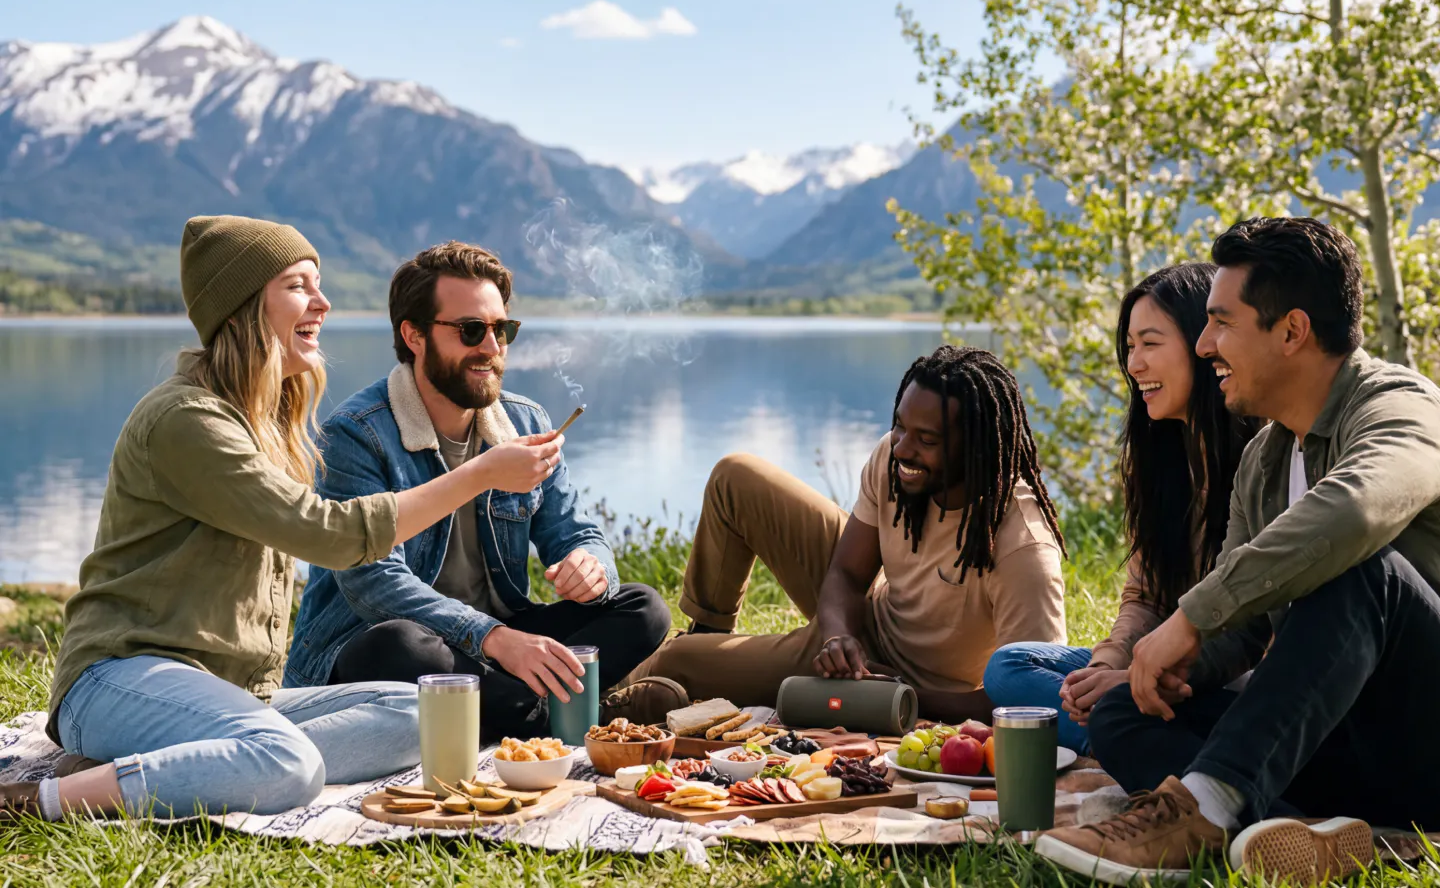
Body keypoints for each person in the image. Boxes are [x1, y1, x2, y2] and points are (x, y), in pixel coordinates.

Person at [1036, 217, 1440, 884]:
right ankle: (1299, 834)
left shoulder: (1404, 411)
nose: (1205, 346)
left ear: (1291, 332)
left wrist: (1190, 617)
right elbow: (1243, 633)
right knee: (1123, 709)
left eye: (1222, 324)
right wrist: (1179, 669)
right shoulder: (1264, 459)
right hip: (1352, 747)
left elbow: (1355, 511)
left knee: (1365, 571)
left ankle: (1204, 811)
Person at [0, 216, 563, 822]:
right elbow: (329, 534)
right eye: (299, 285)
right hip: (118, 681)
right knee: (289, 764)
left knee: (424, 715)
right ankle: (41, 801)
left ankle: (162, 767)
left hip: (233, 695)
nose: (322, 302)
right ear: (244, 305)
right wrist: (479, 473)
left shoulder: (262, 417)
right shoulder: (188, 420)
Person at [285, 241, 679, 741]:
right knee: (400, 646)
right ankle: (563, 712)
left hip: (498, 645)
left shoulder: (524, 421)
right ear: (414, 335)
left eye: (502, 329)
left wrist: (591, 565)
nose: (492, 348)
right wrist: (492, 637)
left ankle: (516, 708)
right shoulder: (356, 434)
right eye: (471, 330)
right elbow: (374, 586)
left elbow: (574, 529)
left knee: (642, 608)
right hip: (390, 644)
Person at [619, 344, 1068, 724]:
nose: (902, 448)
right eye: (899, 425)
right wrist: (837, 635)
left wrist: (903, 693)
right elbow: (848, 574)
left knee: (678, 660)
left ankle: (623, 694)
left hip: (896, 678)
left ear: (976, 449)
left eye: (926, 440)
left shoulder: (1022, 548)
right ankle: (709, 639)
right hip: (861, 621)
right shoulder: (897, 461)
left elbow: (1031, 699)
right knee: (736, 477)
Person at [983, 263, 1260, 753]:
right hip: (1153, 671)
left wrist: (1137, 677)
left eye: (1150, 344)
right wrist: (1109, 664)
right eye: (1130, 347)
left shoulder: (1262, 458)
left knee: (1098, 702)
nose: (1134, 365)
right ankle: (1125, 734)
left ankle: (1124, 737)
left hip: (1232, 678)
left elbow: (1253, 635)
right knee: (1010, 667)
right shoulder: (1158, 462)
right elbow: (1145, 598)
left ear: (1204, 345)